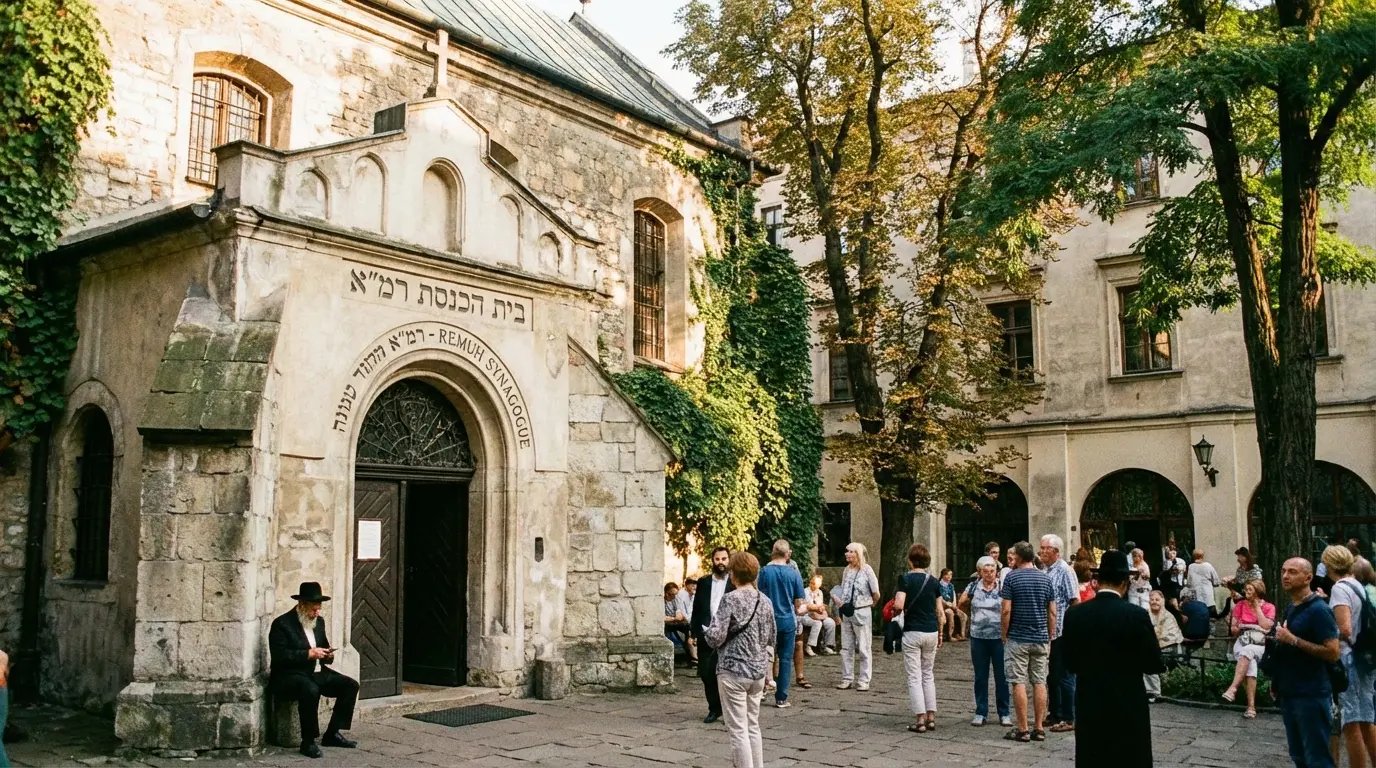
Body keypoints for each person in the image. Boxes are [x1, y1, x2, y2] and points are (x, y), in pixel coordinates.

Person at [1061, 550, 1165, 768]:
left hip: (1090, 701)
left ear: (1097, 581)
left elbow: (1069, 662)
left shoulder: (1075, 614)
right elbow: (1154, 663)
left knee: (1093, 756)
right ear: (1125, 582)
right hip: (1127, 701)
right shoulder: (1135, 615)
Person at [268, 582, 360, 759]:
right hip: (289, 675)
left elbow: (323, 647)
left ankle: (332, 733)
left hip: (316, 672)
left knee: (350, 685)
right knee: (310, 689)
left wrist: (327, 655)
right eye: (313, 609)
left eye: (318, 609)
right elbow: (281, 656)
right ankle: (308, 741)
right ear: (301, 605)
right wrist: (308, 654)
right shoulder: (282, 624)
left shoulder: (319, 622)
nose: (317, 613)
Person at [704, 551, 777, 768]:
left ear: (733, 574)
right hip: (757, 672)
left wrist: (706, 633)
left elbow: (716, 637)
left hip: (733, 671)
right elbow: (771, 638)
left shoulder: (730, 600)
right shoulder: (765, 601)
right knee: (753, 726)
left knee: (738, 730)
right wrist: (768, 672)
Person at [1272, 558, 1341, 768]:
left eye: (1292, 572)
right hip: (1290, 692)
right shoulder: (1292, 607)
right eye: (1283, 571)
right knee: (1298, 756)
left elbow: (1333, 652)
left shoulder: (1319, 610)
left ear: (1308, 577)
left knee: (1317, 758)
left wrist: (1293, 640)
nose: (1285, 576)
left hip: (1311, 694)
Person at [1323, 545, 1376, 768]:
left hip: (1349, 658)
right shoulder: (1357, 585)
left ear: (1329, 565)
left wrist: (1324, 634)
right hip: (1365, 657)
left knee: (1351, 721)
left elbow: (1344, 628)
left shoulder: (1339, 589)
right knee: (1367, 719)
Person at [1000, 541, 1055, 743]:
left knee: (1018, 682)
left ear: (1019, 557)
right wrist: (1049, 633)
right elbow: (1052, 611)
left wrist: (1003, 633)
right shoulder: (1045, 578)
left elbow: (1006, 610)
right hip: (1040, 637)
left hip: (1018, 636)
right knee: (1040, 681)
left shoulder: (1012, 578)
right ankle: (1039, 727)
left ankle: (1023, 728)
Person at [893, 544, 945, 733]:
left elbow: (899, 604)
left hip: (913, 631)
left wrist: (895, 609)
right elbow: (940, 611)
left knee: (914, 676)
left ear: (910, 560)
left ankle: (920, 719)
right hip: (931, 630)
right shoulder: (933, 581)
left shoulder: (905, 579)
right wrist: (941, 633)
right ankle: (931, 716)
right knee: (928, 674)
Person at [959, 556, 1012, 727]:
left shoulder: (1003, 586)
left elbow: (1009, 607)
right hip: (978, 637)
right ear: (979, 572)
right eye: (985, 571)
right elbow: (961, 603)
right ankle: (981, 711)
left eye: (992, 570)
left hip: (999, 637)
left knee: (1002, 676)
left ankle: (1004, 712)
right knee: (980, 676)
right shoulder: (974, 586)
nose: (989, 574)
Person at [757, 540, 806, 708]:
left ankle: (761, 690)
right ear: (787, 554)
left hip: (767, 621)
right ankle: (781, 698)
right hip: (787, 621)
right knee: (785, 659)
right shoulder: (793, 573)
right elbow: (798, 602)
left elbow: (758, 596)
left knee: (763, 656)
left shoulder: (763, 572)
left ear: (772, 552)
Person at [1040, 534, 1080, 734]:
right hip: (1050, 632)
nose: (1041, 551)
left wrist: (1072, 628)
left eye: (1045, 548)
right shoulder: (1046, 570)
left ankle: (1068, 716)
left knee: (1065, 675)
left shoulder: (1065, 570)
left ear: (1055, 551)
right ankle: (1054, 713)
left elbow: (1074, 600)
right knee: (1052, 676)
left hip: (1063, 630)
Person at [692, 546, 735, 724]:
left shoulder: (734, 583)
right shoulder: (703, 582)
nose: (721, 563)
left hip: (727, 635)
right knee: (706, 673)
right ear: (712, 561)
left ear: (728, 560)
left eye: (724, 559)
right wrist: (693, 632)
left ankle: (728, 711)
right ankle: (714, 708)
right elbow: (697, 608)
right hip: (706, 633)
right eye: (717, 559)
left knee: (726, 676)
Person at [1221, 580, 1275, 718]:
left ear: (1258, 591)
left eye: (1250, 590)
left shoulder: (1269, 607)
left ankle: (1233, 688)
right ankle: (1251, 707)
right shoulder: (1239, 605)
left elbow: (1266, 627)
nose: (1246, 592)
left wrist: (1257, 608)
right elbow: (1234, 630)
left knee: (1248, 652)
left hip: (1261, 645)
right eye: (1246, 589)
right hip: (1243, 641)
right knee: (1249, 660)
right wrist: (1238, 626)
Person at [832, 542, 880, 691]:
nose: (847, 554)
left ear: (858, 554)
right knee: (846, 647)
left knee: (864, 647)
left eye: (851, 552)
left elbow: (876, 593)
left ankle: (864, 680)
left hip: (861, 611)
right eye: (847, 551)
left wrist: (869, 604)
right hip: (847, 611)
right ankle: (847, 678)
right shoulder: (847, 570)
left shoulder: (867, 570)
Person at [1144, 590, 1185, 702]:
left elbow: (1168, 637)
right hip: (1151, 647)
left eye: (1157, 600)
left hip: (1169, 649)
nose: (1154, 602)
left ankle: (1153, 692)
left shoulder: (1168, 617)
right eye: (1152, 600)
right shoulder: (1145, 614)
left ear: (1162, 601)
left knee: (1148, 659)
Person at [799, 574, 836, 656]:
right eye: (813, 584)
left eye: (818, 585)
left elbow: (820, 606)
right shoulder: (805, 591)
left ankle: (827, 645)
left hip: (817, 614)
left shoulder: (820, 592)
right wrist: (818, 609)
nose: (815, 586)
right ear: (811, 582)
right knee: (817, 623)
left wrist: (821, 610)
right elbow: (808, 607)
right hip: (806, 615)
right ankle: (809, 646)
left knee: (830, 622)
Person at [1187, 549, 1223, 618]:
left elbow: (1189, 583)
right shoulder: (1208, 566)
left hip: (1196, 599)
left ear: (1193, 556)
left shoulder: (1191, 567)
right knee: (1211, 619)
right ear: (1203, 556)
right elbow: (1216, 581)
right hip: (1208, 598)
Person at [665, 582, 693, 655]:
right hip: (667, 624)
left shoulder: (676, 599)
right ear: (666, 593)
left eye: (675, 594)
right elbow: (662, 618)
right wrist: (674, 618)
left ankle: (689, 651)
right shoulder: (662, 601)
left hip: (675, 622)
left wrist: (673, 618)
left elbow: (679, 615)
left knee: (689, 629)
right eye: (672, 594)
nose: (674, 596)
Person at [938, 569, 964, 641]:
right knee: (950, 613)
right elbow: (940, 598)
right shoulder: (938, 585)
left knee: (963, 615)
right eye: (947, 574)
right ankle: (950, 635)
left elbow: (954, 596)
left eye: (951, 575)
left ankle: (961, 634)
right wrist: (950, 606)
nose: (949, 576)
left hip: (952, 605)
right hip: (943, 606)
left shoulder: (951, 585)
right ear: (943, 575)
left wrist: (954, 605)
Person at [679, 578, 699, 664]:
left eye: (695, 584)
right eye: (692, 584)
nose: (694, 586)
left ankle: (695, 656)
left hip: (690, 620)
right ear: (686, 585)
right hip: (680, 619)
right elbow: (681, 611)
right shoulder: (681, 595)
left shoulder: (694, 595)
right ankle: (694, 657)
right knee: (691, 632)